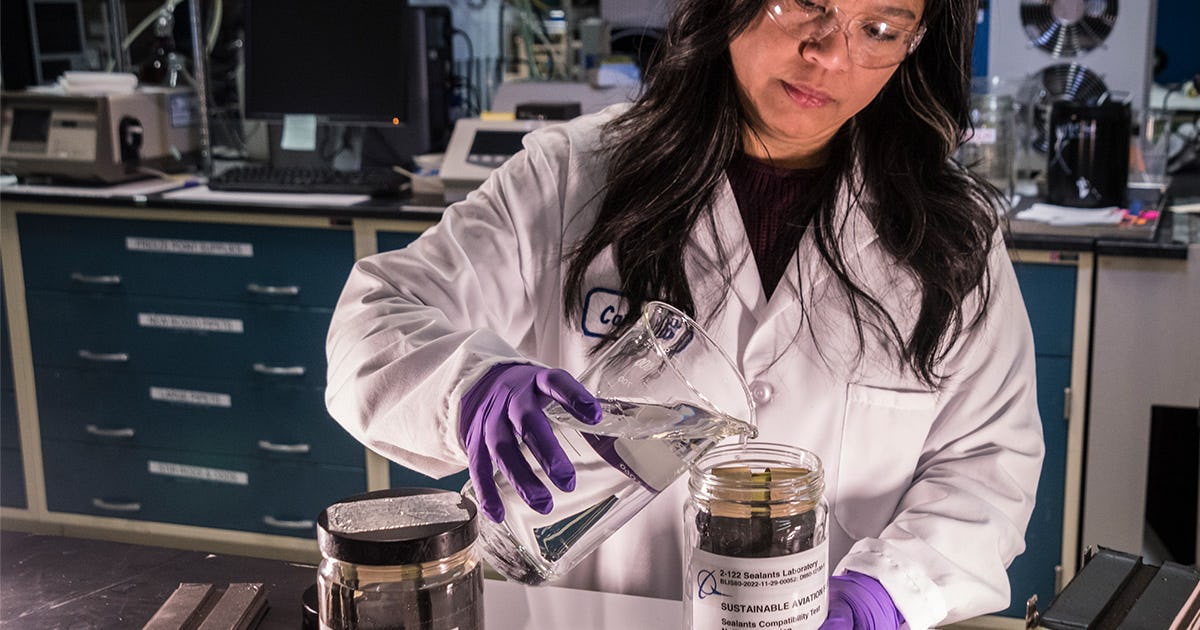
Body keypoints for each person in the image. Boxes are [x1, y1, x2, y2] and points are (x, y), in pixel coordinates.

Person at [325, 0, 1044, 627]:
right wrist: (470, 387)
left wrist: (888, 594)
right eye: (804, 4)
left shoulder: (954, 238)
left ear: (913, 46)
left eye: (880, 28)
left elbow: (988, 465)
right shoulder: (575, 175)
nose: (830, 53)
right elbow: (373, 320)